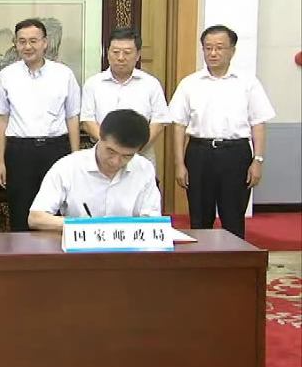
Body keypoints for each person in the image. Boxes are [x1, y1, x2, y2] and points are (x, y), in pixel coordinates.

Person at [169, 25, 275, 238]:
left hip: (236, 154)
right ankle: (201, 257)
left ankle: (234, 258)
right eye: (208, 48)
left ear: (232, 51)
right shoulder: (190, 83)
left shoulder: (248, 83)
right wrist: (179, 164)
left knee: (233, 216)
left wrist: (258, 160)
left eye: (219, 48)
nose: (213, 53)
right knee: (199, 216)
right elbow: (178, 125)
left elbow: (258, 123)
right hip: (199, 153)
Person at [0, 18, 81, 231]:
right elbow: (2, 119)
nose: (28, 46)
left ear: (45, 42)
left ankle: (56, 253)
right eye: (22, 41)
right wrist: (1, 161)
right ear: (16, 44)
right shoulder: (7, 76)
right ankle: (21, 252)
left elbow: (72, 117)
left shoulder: (63, 74)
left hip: (55, 149)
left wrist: (75, 158)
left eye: (33, 41)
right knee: (20, 211)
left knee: (57, 211)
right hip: (19, 152)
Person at [28, 109, 161, 230]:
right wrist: (84, 227)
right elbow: (36, 218)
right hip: (80, 246)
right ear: (100, 136)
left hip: (128, 246)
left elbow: (152, 221)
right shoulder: (68, 166)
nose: (115, 161)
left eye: (127, 156)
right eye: (111, 151)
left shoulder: (144, 168)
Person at [80, 27, 170, 168]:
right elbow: (87, 121)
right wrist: (112, 148)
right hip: (104, 159)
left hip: (141, 158)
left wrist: (134, 149)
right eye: (115, 52)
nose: (121, 58)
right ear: (107, 53)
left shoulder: (151, 84)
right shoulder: (93, 84)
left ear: (138, 55)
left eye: (127, 52)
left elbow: (158, 122)